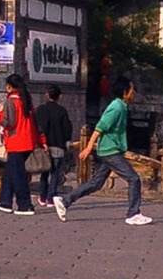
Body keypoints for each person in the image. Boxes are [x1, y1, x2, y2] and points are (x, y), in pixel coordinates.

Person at [53, 76, 151, 226]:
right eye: (132, 90)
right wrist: (88, 148)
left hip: (110, 150)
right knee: (134, 178)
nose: (134, 93)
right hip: (110, 151)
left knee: (96, 183)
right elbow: (99, 128)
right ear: (125, 92)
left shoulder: (122, 106)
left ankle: (65, 200)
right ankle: (133, 213)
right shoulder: (116, 108)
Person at [0, 72, 42, 216]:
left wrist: (0, 114)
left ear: (9, 86)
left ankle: (25, 204)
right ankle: (5, 201)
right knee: (10, 172)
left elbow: (9, 123)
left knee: (18, 175)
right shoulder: (26, 99)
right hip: (28, 140)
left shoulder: (10, 101)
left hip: (16, 141)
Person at [34, 86, 74, 207]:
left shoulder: (41, 109)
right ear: (60, 96)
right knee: (55, 172)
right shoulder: (62, 111)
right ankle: (51, 198)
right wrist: (67, 142)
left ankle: (42, 196)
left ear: (47, 95)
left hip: (44, 145)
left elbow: (37, 127)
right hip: (58, 144)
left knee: (44, 171)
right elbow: (67, 128)